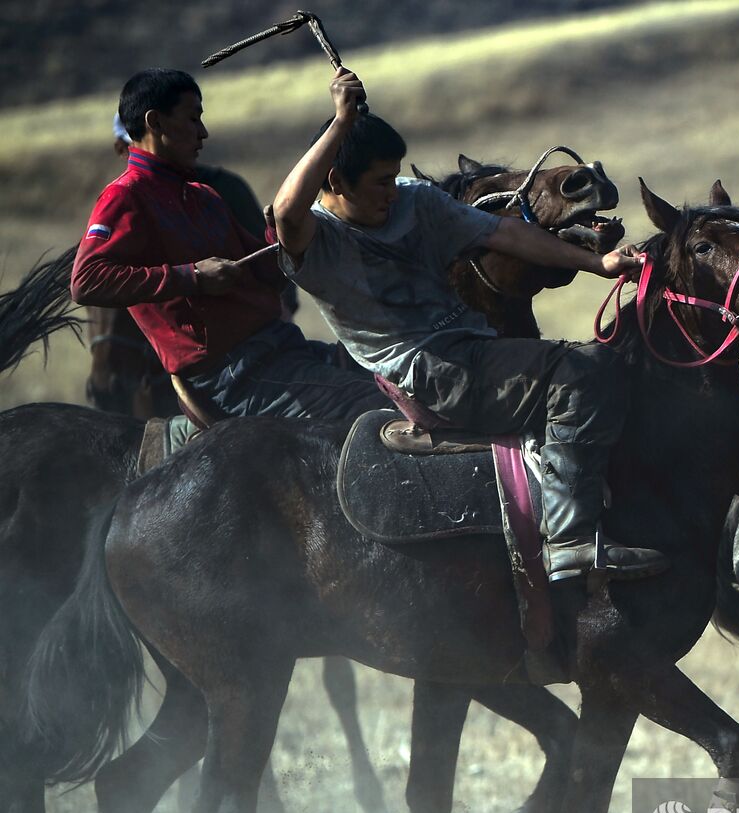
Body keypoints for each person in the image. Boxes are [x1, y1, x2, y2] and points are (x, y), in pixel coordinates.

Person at [272, 67, 666, 584]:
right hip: (430, 371)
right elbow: (284, 211)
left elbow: (504, 232)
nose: (393, 192)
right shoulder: (315, 241)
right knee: (585, 374)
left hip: (472, 349)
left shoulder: (416, 201)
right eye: (379, 182)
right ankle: (570, 540)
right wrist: (342, 123)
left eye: (394, 177)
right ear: (334, 181)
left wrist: (597, 264)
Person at [71, 69, 384, 421]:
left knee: (398, 381)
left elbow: (266, 274)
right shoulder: (126, 196)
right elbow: (86, 281)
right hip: (232, 377)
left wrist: (281, 233)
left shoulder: (204, 196)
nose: (203, 132)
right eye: (193, 118)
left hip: (279, 350)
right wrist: (193, 277)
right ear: (155, 122)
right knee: (374, 409)